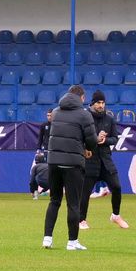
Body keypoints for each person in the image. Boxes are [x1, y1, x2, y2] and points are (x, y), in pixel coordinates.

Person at [43, 85, 98, 251]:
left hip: (53, 161)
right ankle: (72, 241)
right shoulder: (84, 114)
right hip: (73, 163)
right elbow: (92, 140)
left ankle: (47, 238)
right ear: (81, 97)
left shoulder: (56, 112)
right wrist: (87, 150)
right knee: (74, 204)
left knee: (54, 200)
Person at [78, 90, 129, 230]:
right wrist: (94, 139)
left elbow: (115, 138)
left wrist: (105, 140)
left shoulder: (109, 119)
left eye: (103, 103)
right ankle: (81, 220)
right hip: (90, 160)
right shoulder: (85, 117)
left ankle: (115, 216)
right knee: (85, 193)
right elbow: (80, 137)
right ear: (92, 104)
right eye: (98, 103)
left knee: (117, 187)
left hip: (106, 161)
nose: (101, 105)